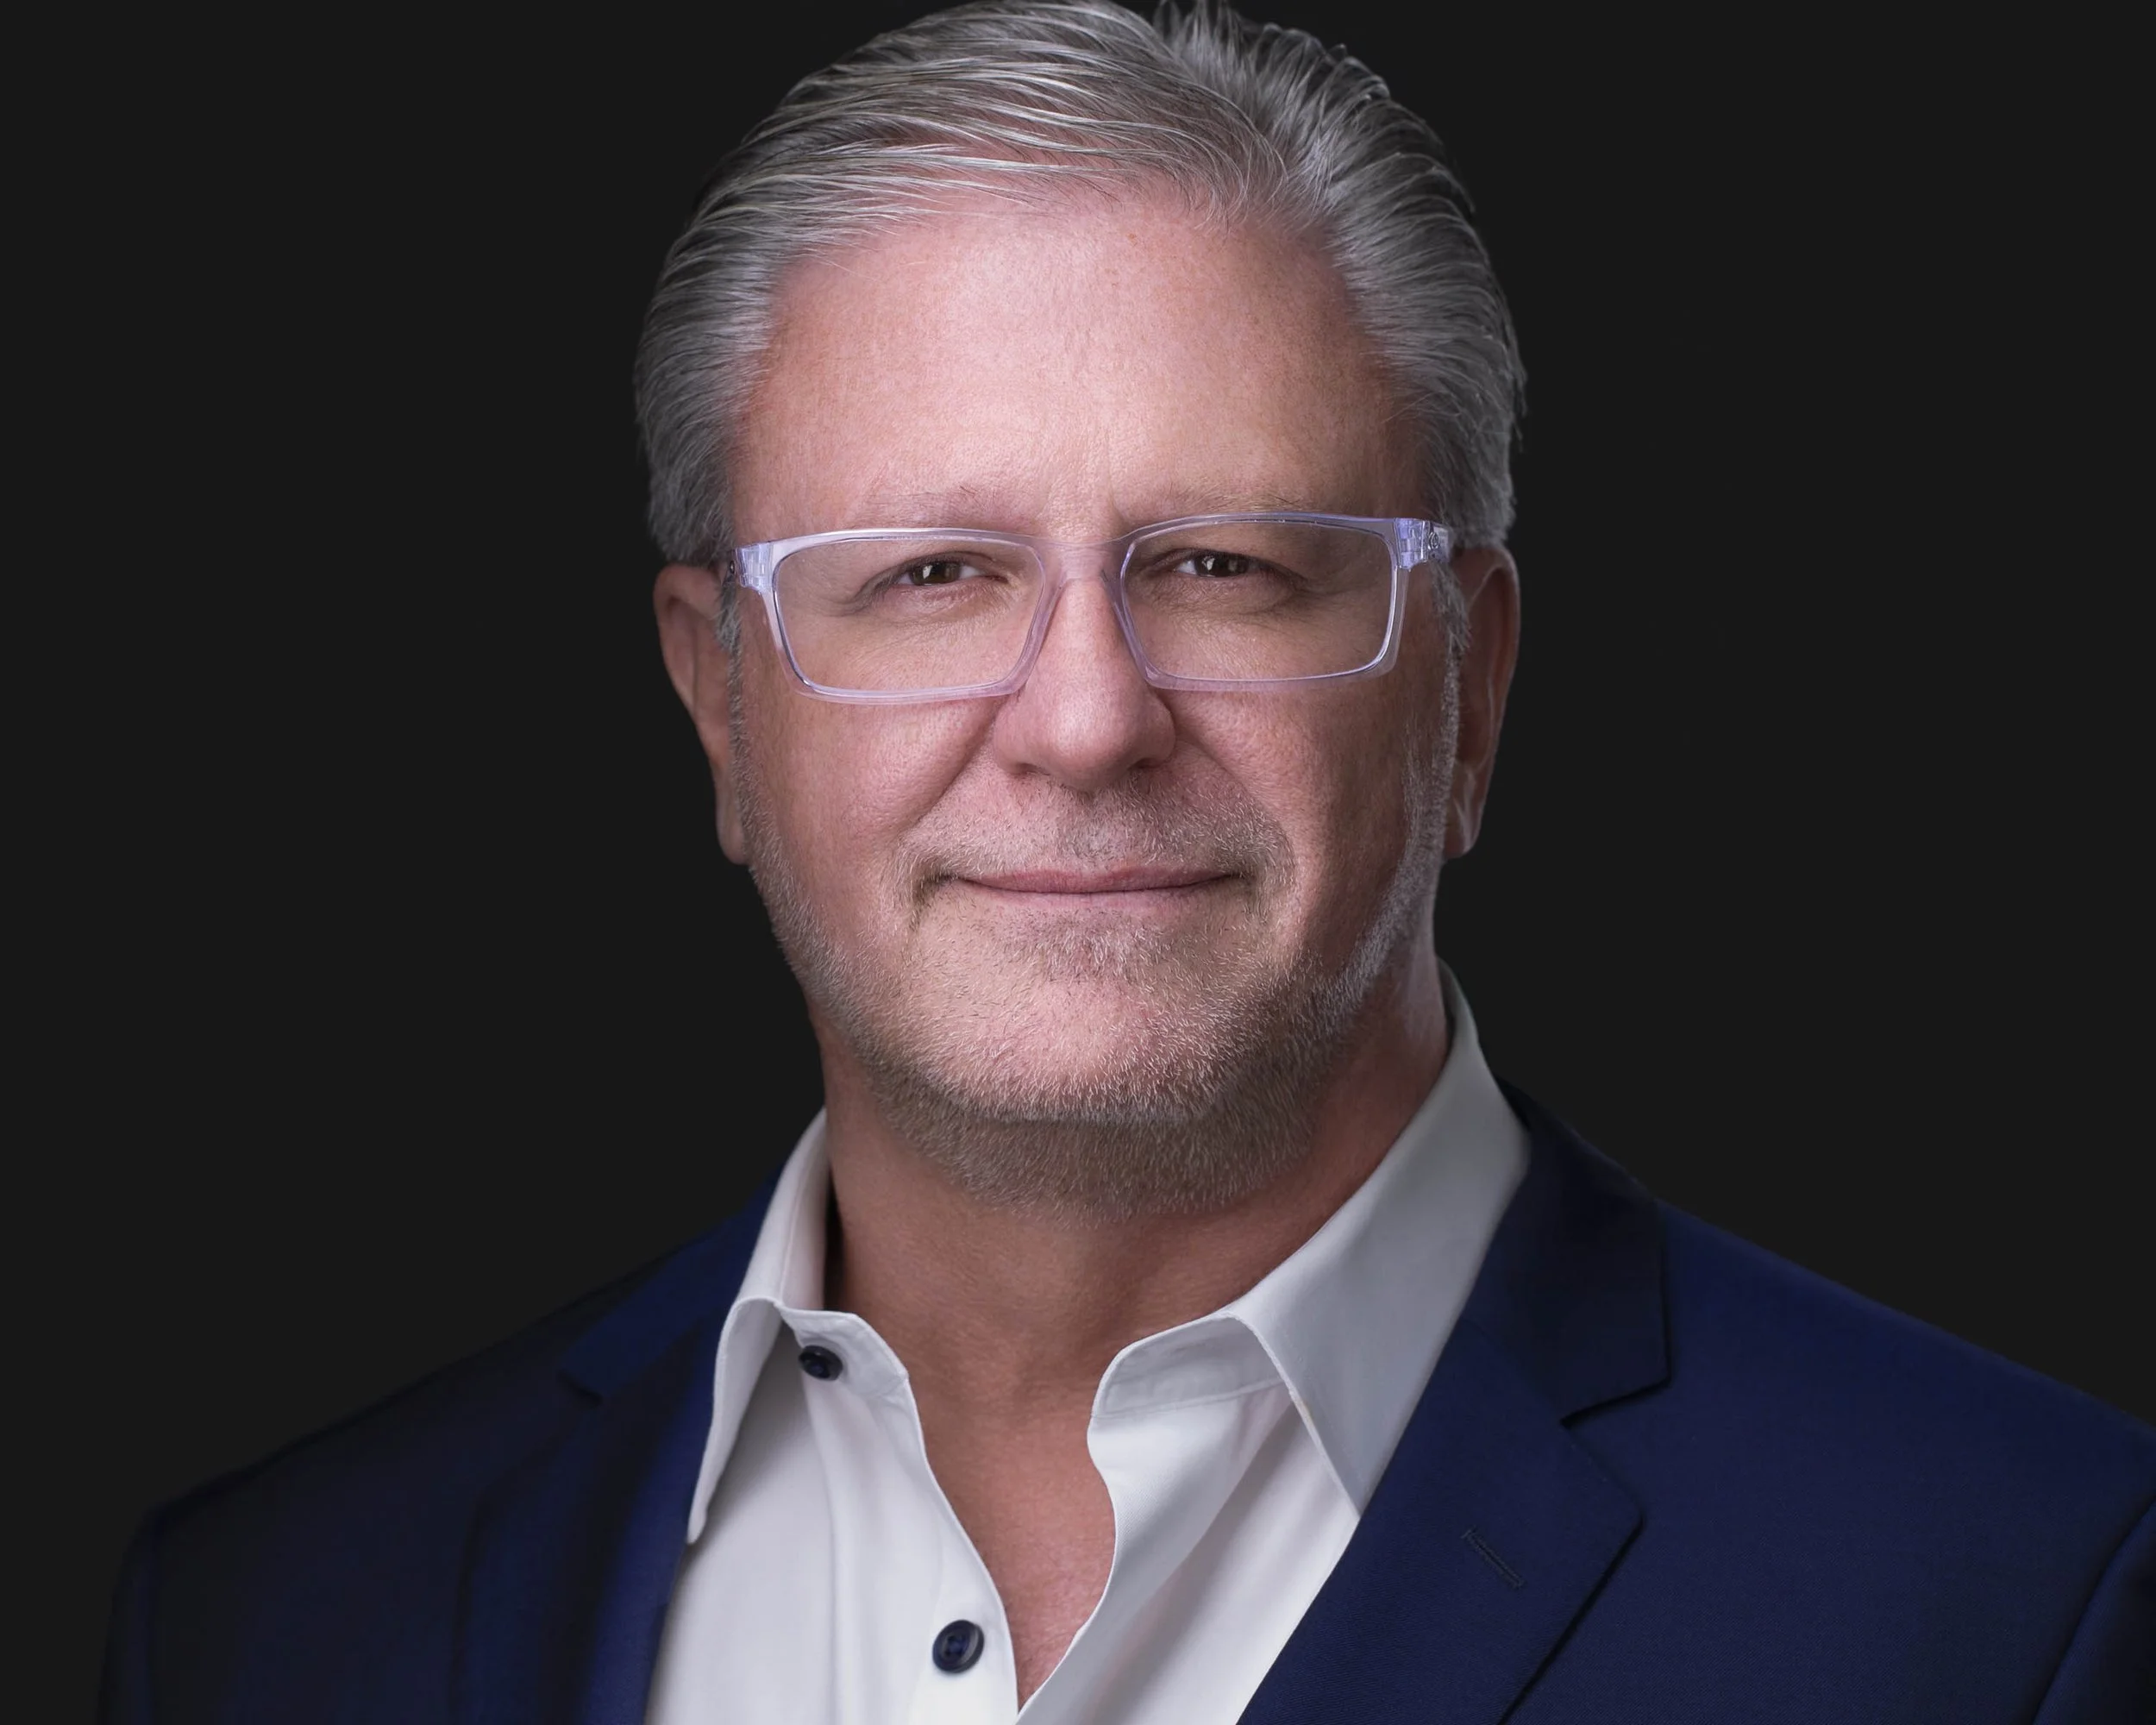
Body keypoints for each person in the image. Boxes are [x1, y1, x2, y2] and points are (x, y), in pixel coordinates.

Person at [99, 3, 2153, 1721]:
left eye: (1226, 569)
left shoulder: (2021, 1598)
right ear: (721, 703)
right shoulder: (270, 1621)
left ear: (1469, 690)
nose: (1082, 718)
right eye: (925, 575)